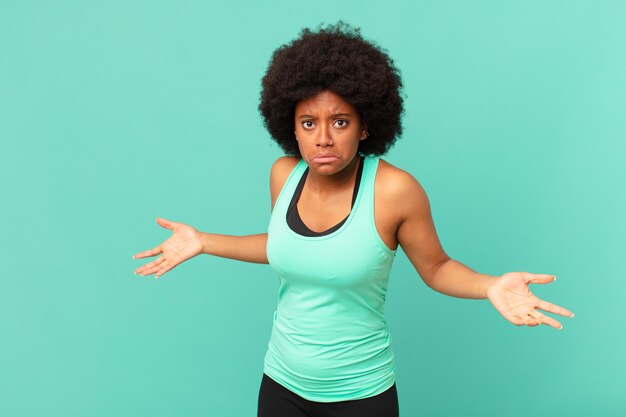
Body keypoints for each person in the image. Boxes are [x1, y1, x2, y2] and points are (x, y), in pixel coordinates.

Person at [132, 22, 574, 417]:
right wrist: (203, 241)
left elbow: (436, 267)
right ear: (291, 125)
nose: (323, 138)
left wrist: (490, 285)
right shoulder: (284, 174)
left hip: (361, 395)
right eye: (308, 123)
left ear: (365, 125)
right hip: (281, 385)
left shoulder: (394, 191)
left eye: (339, 121)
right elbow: (284, 246)